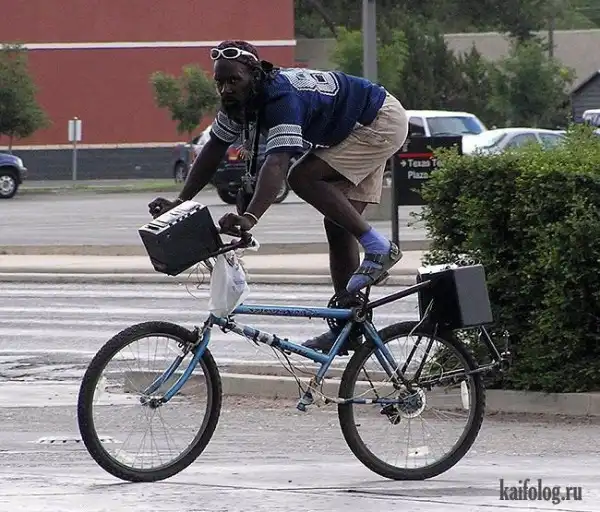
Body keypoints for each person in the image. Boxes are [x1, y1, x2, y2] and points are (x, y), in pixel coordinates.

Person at [149, 40, 409, 354]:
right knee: (338, 225)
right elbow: (213, 149)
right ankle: (349, 331)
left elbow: (277, 163)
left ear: (254, 75)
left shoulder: (281, 98)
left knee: (302, 176)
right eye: (220, 82)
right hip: (354, 127)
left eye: (234, 80)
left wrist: (250, 217)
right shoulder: (239, 102)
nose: (226, 89)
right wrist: (181, 202)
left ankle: (379, 247)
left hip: (377, 121)